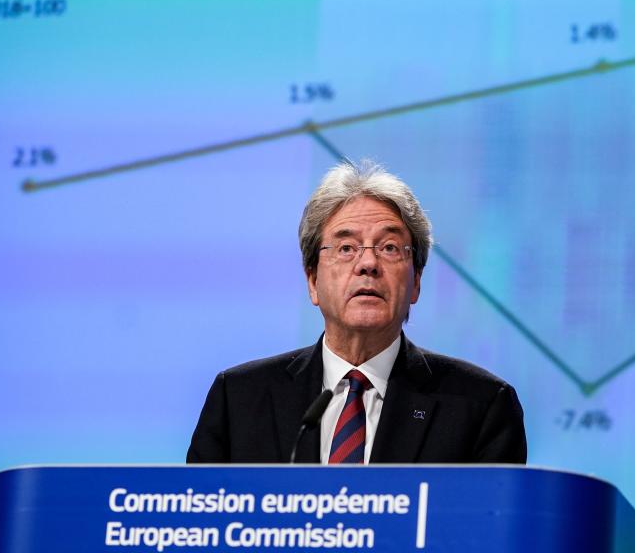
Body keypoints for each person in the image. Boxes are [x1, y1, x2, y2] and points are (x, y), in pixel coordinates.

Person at [187, 160, 526, 464]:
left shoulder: (480, 406)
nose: (368, 264)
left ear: (417, 282)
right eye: (346, 248)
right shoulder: (239, 399)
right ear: (313, 281)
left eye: (390, 248)